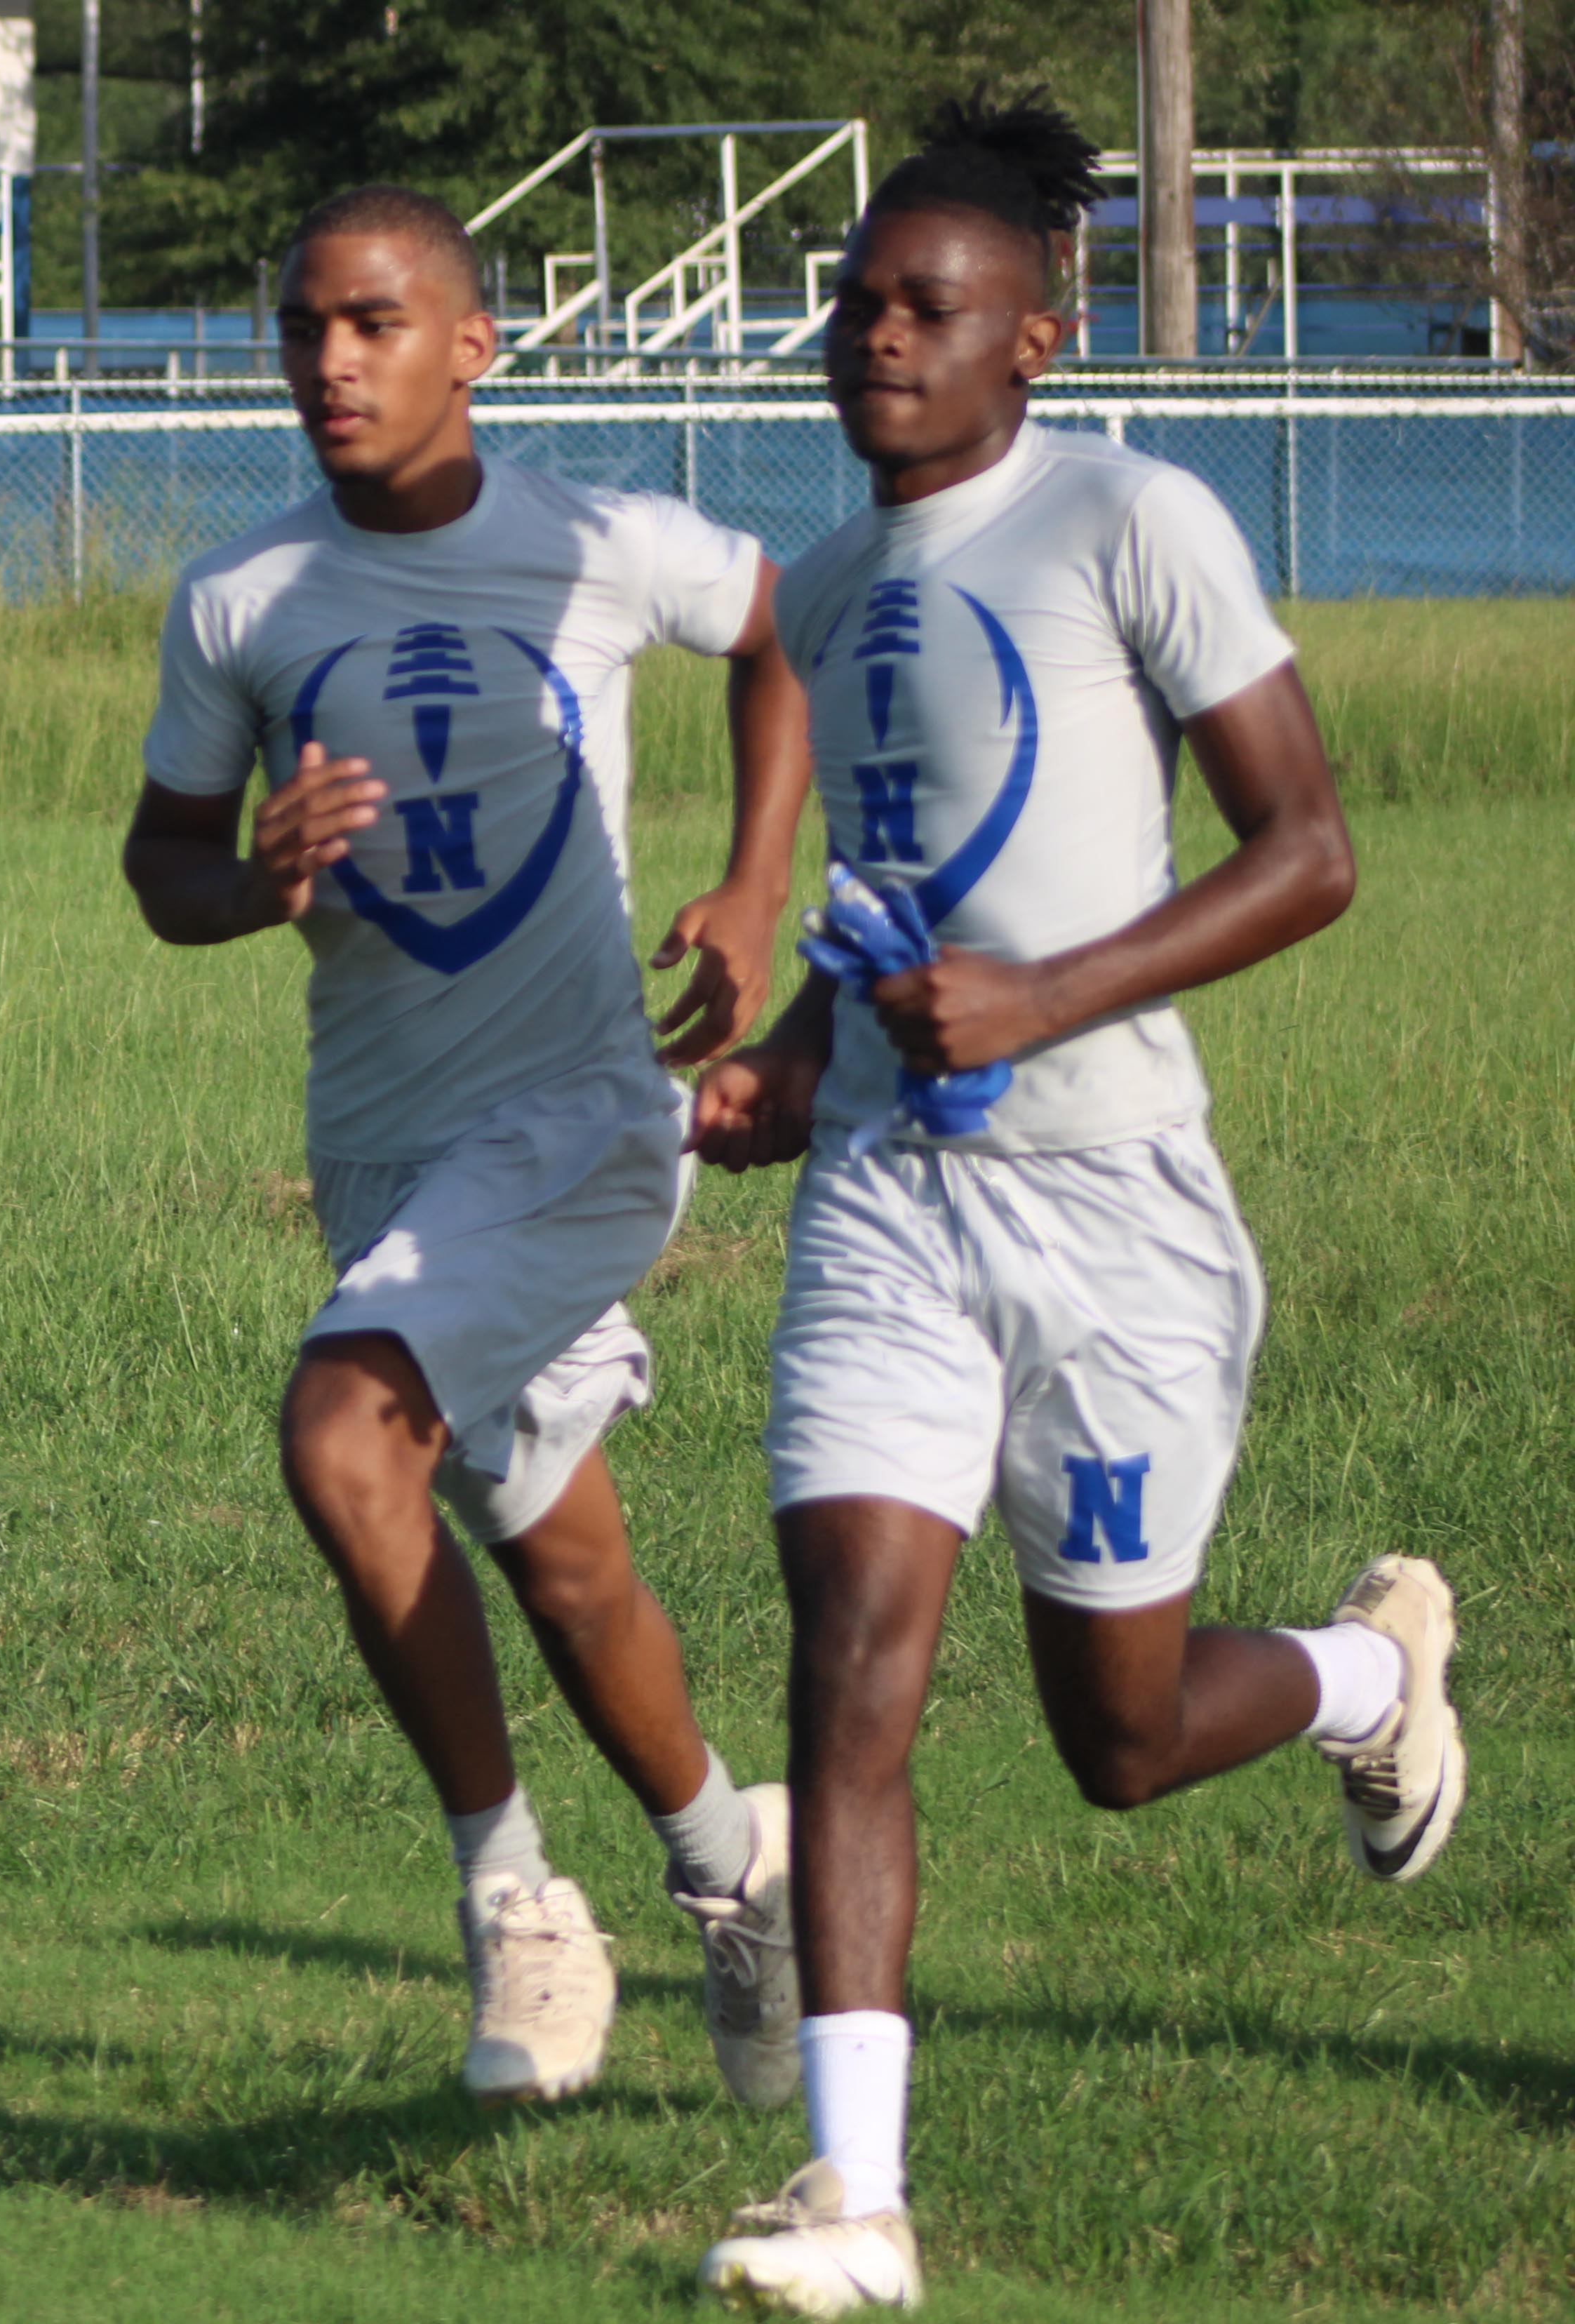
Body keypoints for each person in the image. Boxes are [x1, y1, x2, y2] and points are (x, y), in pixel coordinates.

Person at [688, 98, 1460, 2315]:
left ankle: (1357, 1673)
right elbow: (887, 930)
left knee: (1117, 1741)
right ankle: (853, 2202)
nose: (873, 342)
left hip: (1113, 1206)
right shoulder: (820, 599)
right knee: (849, 1664)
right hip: (889, 1215)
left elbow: (1307, 850)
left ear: (1037, 335)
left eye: (925, 310)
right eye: (849, 307)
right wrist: (793, 1074)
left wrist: (1054, 986)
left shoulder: (1135, 517)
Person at [123, 187, 817, 2107]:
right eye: (297, 331)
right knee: (562, 1561)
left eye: (365, 324)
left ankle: (515, 1906)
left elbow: (786, 631)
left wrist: (755, 889)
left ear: (469, 345)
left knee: (340, 1438)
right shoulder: (240, 601)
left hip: (588, 1121)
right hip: (381, 1147)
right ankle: (735, 1866)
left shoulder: (590, 543)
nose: (324, 365)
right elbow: (157, 867)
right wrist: (251, 881)